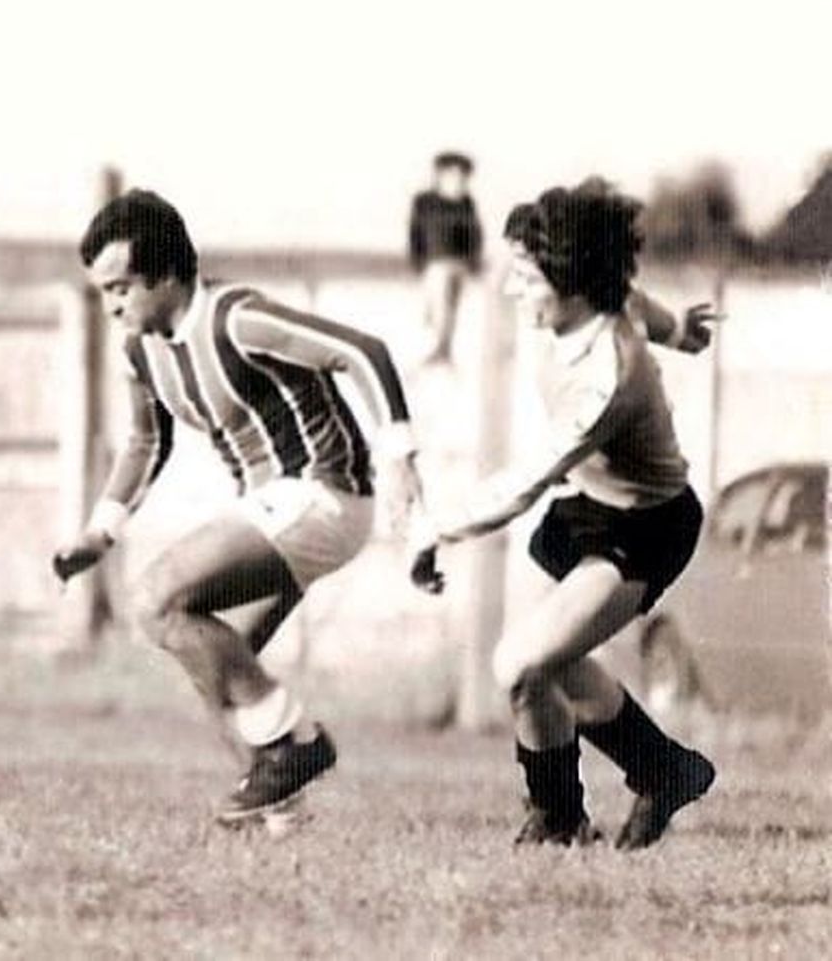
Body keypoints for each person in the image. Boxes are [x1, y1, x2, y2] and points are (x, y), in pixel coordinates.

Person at [54, 189, 429, 824]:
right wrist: (101, 532)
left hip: (325, 494)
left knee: (155, 600)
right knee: (214, 667)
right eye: (102, 292)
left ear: (168, 274)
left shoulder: (236, 318)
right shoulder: (140, 350)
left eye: (121, 288)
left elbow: (364, 351)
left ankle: (300, 745)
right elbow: (148, 440)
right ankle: (280, 813)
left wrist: (398, 457)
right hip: (276, 509)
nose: (111, 305)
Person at [409, 178, 722, 848]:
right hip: (589, 513)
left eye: (525, 276)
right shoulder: (591, 301)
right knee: (541, 666)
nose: (511, 289)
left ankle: (593, 801)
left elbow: (527, 481)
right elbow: (637, 300)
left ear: (571, 280)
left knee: (520, 661)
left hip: (647, 530)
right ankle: (597, 799)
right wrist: (682, 333)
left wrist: (437, 524)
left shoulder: (610, 376)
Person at [408, 151, 484, 365]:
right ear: (440, 175)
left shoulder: (467, 203)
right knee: (436, 306)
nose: (458, 180)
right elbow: (415, 232)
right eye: (453, 174)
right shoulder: (424, 201)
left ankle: (444, 351)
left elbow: (475, 235)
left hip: (459, 265)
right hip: (435, 265)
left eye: (462, 175)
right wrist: (417, 262)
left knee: (453, 308)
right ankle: (436, 349)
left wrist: (474, 263)